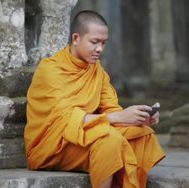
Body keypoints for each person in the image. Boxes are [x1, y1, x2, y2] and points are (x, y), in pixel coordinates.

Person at [24, 10, 165, 188]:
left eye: (104, 43)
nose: (100, 49)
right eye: (94, 42)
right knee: (109, 141)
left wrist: (139, 117)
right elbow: (64, 119)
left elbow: (111, 109)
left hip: (83, 135)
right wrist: (117, 118)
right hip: (52, 145)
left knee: (141, 135)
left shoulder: (96, 70)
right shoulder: (51, 70)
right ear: (76, 38)